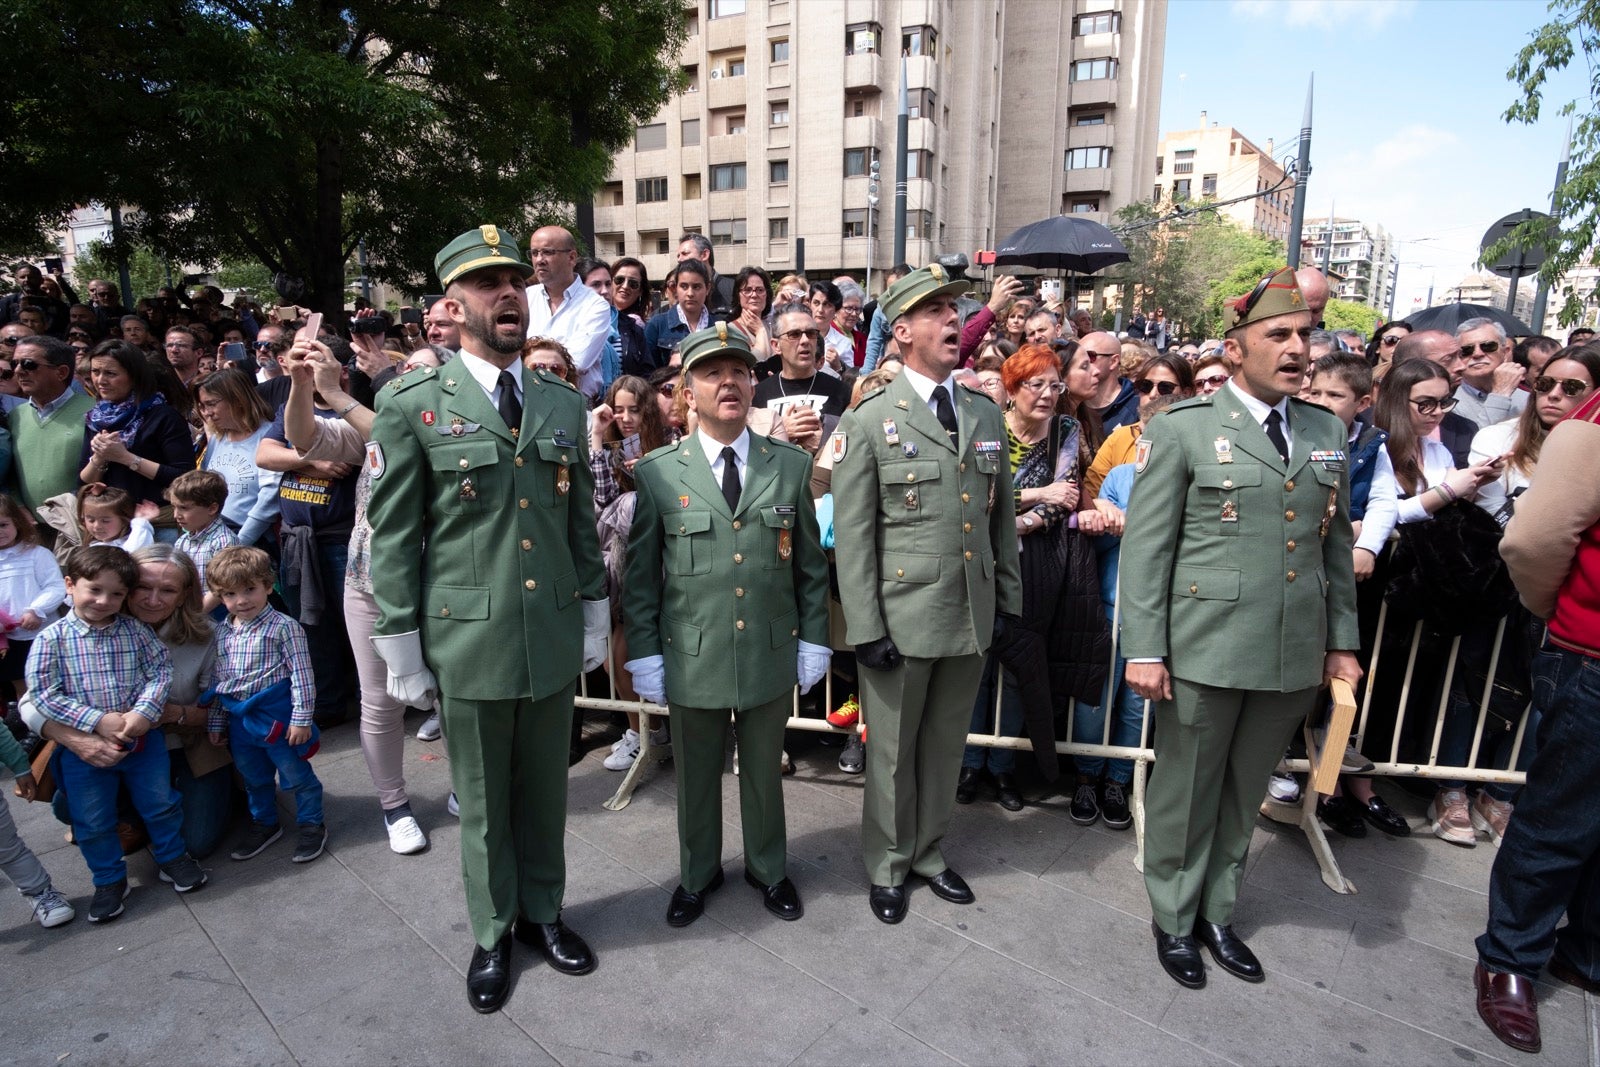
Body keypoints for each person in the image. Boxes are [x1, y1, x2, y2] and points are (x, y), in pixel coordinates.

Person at [365, 225, 609, 1014]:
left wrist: (594, 607)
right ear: (452, 305)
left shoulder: (559, 400)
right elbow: (395, 533)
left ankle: (545, 912)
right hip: (466, 637)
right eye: (485, 283)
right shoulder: (412, 403)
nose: (506, 292)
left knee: (544, 791)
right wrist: (399, 639)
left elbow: (578, 521)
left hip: (547, 629)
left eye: (514, 280)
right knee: (480, 797)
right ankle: (493, 929)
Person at [1119, 266, 1362, 989]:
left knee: (1244, 788)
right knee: (1186, 789)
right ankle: (1173, 912)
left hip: (1290, 648)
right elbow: (1149, 548)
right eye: (1277, 334)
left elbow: (1333, 544)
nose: (1297, 349)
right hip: (1204, 645)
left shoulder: (1325, 430)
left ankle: (1217, 909)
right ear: (1235, 350)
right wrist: (1146, 647)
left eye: (1305, 335)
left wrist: (1341, 641)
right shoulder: (1187, 428)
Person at [832, 263, 1023, 924]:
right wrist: (865, 626)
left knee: (943, 746)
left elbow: (1001, 519)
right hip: (899, 616)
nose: (952, 320)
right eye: (938, 310)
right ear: (902, 329)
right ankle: (886, 862)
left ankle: (928, 852)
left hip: (967, 612)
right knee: (890, 754)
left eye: (956, 308)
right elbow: (854, 535)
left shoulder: (983, 411)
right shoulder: (872, 420)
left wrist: (1005, 603)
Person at [622, 324, 830, 926]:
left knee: (764, 770)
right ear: (688, 392)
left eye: (739, 370)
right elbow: (641, 577)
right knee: (695, 775)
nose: (729, 382)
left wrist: (814, 638)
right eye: (712, 373)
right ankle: (697, 872)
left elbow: (810, 568)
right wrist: (646, 653)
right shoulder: (660, 472)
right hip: (692, 652)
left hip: (767, 646)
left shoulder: (788, 466)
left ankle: (769, 868)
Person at [1471, 376, 1600, 1056]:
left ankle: (1586, 950)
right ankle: (1509, 959)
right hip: (1591, 657)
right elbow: (1533, 542)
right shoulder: (1592, 427)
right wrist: (1570, 620)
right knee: (1558, 818)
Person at [280, 336, 428, 855]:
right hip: (371, 585)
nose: (410, 377)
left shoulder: (441, 431)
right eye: (404, 371)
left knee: (456, 697)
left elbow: (404, 435)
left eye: (421, 372)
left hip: (443, 585)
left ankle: (468, 788)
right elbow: (302, 437)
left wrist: (336, 392)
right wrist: (303, 387)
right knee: (380, 700)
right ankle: (394, 805)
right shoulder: (363, 433)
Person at [27, 545, 207, 922]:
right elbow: (42, 693)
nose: (104, 601)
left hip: (145, 743)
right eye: (95, 590)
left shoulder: (135, 631)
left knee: (161, 802)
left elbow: (159, 672)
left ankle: (172, 856)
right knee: (90, 818)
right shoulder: (52, 638)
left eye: (115, 594)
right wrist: (95, 722)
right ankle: (109, 879)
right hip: (85, 751)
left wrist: (144, 712)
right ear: (69, 586)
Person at [958, 344, 1086, 813]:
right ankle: (970, 762)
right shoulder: (989, 426)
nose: (1049, 394)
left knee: (1018, 668)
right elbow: (978, 495)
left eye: (1056, 384)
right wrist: (1033, 494)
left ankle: (1003, 766)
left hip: (1037, 565)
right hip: (983, 560)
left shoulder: (1067, 431)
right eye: (1038, 384)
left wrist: (1024, 519)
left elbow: (1065, 497)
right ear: (1011, 389)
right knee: (977, 667)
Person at [1302, 353, 1407, 838]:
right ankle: (1291, 773)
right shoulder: (1293, 430)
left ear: (1363, 403)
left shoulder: (1371, 445)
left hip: (1345, 582)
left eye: (1335, 395)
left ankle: (1332, 782)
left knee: (1339, 679)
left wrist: (1365, 543)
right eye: (1316, 391)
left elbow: (1386, 500)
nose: (1322, 402)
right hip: (1298, 578)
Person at [203, 545, 325, 863]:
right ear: (219, 596)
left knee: (296, 774)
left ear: (268, 586)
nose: (241, 600)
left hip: (277, 718)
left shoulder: (284, 628)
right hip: (240, 722)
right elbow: (221, 681)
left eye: (249, 589)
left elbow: (302, 675)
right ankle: (265, 823)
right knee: (253, 776)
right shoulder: (222, 633)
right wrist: (217, 721)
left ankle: (312, 823)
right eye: (230, 593)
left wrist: (300, 719)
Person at [589, 373, 673, 772]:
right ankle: (642, 733)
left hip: (664, 564)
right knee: (616, 658)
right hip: (622, 565)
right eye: (618, 409)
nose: (625, 418)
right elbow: (601, 501)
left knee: (650, 652)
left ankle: (660, 731)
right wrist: (596, 437)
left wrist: (652, 473)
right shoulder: (608, 450)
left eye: (634, 410)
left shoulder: (670, 447)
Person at [79, 340, 196, 521]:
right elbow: (85, 481)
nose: (100, 380)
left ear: (134, 376)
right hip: (111, 526)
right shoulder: (96, 419)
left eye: (110, 373)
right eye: (95, 372)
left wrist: (126, 458)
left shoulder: (163, 416)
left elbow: (184, 477)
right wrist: (99, 458)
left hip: (157, 523)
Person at [9, 335, 93, 527]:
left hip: (82, 528)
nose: (18, 371)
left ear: (62, 372)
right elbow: (10, 472)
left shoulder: (94, 413)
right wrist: (19, 507)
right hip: (30, 529)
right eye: (15, 363)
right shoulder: (16, 416)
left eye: (29, 364)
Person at [1085, 353, 1194, 498]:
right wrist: (1102, 506)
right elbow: (1092, 490)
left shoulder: (1195, 439)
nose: (1153, 394)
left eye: (1165, 387)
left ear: (1186, 393)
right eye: (1146, 386)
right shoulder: (1120, 437)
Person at [196, 367, 282, 549]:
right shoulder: (217, 439)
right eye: (203, 406)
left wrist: (238, 543)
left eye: (211, 404)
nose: (207, 412)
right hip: (212, 539)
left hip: (252, 544)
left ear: (238, 400)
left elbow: (269, 500)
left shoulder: (271, 436)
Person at [524, 226, 612, 401]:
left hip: (572, 401)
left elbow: (576, 362)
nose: (539, 260)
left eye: (547, 252)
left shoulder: (595, 305)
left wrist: (530, 360)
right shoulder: (525, 297)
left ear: (571, 257)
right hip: (527, 400)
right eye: (534, 253)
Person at [0, 495, 66, 698]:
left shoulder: (37, 554)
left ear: (17, 522)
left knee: (46, 678)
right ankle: (25, 720)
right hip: (7, 639)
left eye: (3, 524)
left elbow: (55, 586)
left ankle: (48, 718)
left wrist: (36, 610)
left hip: (41, 633)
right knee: (17, 680)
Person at [168, 470, 238, 613]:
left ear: (212, 508)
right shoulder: (182, 541)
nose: (176, 515)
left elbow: (222, 585)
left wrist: (197, 614)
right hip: (187, 610)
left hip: (214, 613)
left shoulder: (224, 541)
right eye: (174, 507)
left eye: (184, 508)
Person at [1452, 318, 1528, 428]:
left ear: (1505, 353)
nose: (1477, 354)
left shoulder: (1528, 400)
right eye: (1467, 350)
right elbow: (1478, 441)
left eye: (1488, 346)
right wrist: (1500, 395)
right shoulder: (1450, 402)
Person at [643, 260, 714, 370]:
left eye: (696, 287)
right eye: (684, 286)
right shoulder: (657, 325)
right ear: (676, 288)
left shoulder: (719, 327)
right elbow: (647, 374)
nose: (690, 293)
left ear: (707, 288)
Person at [77, 483, 156, 552]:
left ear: (124, 520)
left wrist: (140, 522)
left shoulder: (132, 541)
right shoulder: (93, 547)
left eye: (105, 521)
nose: (96, 526)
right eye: (91, 520)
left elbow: (131, 553)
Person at [610, 257, 653, 378]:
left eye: (633, 283)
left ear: (640, 291)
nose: (625, 286)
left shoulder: (637, 325)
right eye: (619, 280)